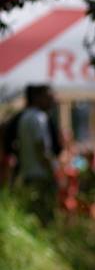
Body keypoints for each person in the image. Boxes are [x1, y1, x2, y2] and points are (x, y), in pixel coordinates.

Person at [15, 84, 58, 225]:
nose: (52, 99)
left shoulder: (24, 117)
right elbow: (41, 149)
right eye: (48, 96)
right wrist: (52, 171)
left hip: (28, 173)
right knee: (44, 216)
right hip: (41, 175)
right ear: (37, 97)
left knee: (32, 214)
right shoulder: (39, 118)